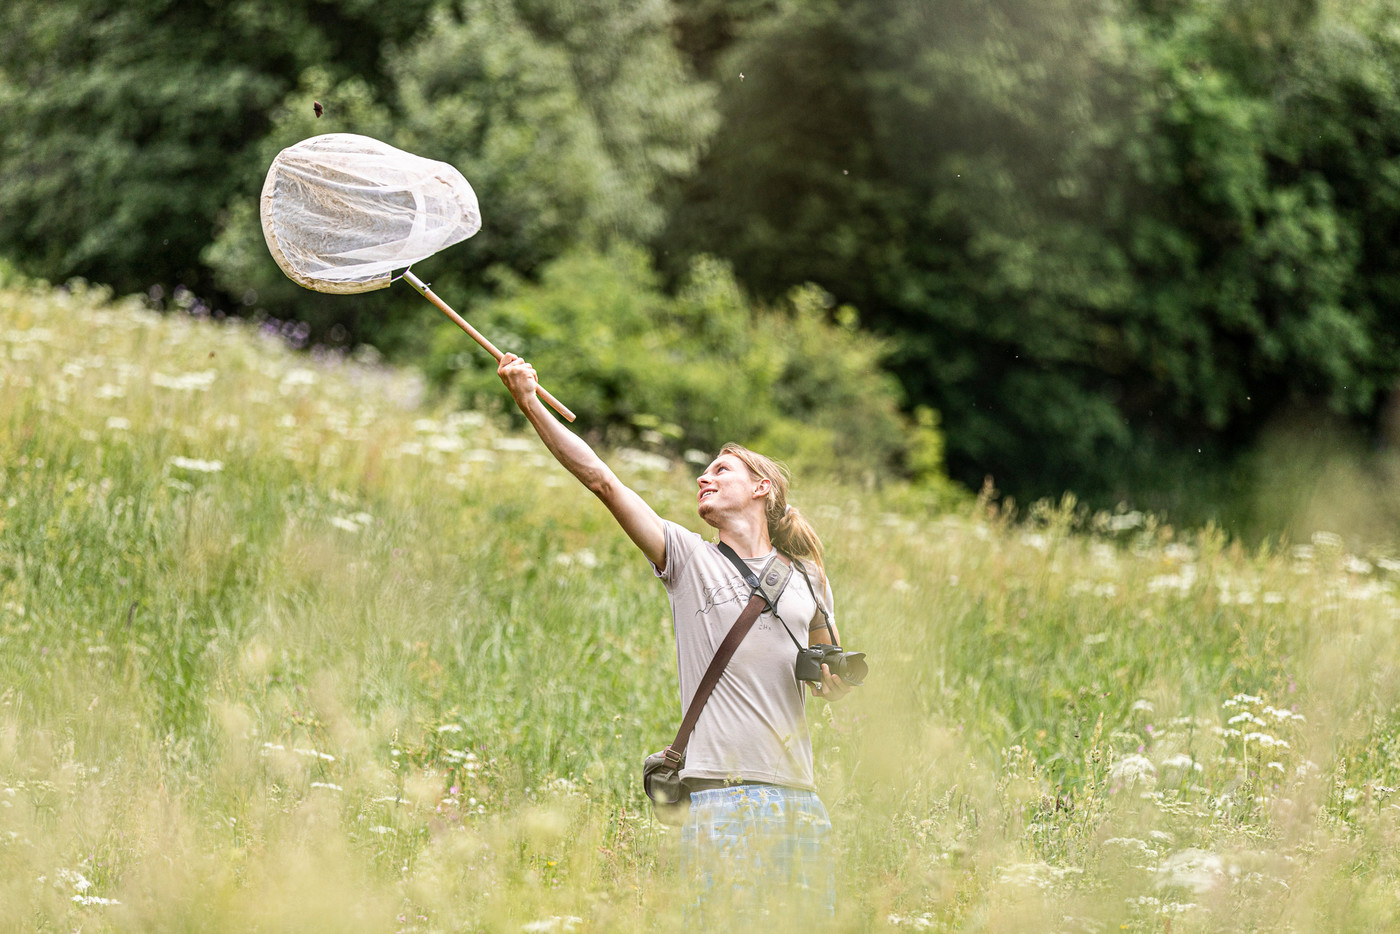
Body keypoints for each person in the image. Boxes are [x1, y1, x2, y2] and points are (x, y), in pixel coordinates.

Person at [496, 353, 853, 918]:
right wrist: (529, 403)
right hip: (719, 797)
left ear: (762, 488)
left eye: (720, 470)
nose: (702, 477)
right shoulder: (687, 557)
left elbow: (823, 667)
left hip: (799, 800)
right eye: (704, 471)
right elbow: (601, 480)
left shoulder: (808, 577)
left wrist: (833, 683)